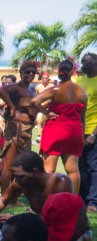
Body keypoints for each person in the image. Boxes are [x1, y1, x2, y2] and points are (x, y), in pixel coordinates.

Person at [32, 60, 87, 192]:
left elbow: (34, 101)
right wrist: (82, 137)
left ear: (58, 72)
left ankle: (45, 201)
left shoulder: (55, 89)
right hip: (74, 132)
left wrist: (46, 112)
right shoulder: (81, 92)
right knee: (73, 170)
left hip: (55, 131)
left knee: (49, 169)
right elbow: (82, 117)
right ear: (73, 72)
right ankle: (74, 201)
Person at [0, 151, 72, 225]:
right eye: (15, 176)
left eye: (20, 176)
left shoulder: (60, 183)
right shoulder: (21, 181)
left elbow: (58, 221)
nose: (17, 180)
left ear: (35, 172)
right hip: (41, 228)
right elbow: (3, 200)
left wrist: (18, 220)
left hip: (63, 232)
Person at [0, 61, 39, 191]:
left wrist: (48, 113)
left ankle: (14, 196)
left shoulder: (31, 91)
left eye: (33, 72)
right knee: (9, 165)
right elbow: (1, 90)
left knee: (21, 165)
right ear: (20, 73)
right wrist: (11, 106)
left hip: (27, 130)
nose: (30, 74)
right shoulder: (17, 87)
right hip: (16, 128)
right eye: (27, 71)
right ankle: (5, 196)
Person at [76, 52, 97, 212]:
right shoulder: (80, 79)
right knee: (80, 166)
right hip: (78, 129)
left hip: (93, 131)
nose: (82, 64)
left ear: (94, 63)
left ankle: (93, 202)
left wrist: (93, 135)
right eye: (82, 61)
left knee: (93, 167)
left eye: (85, 62)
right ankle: (82, 199)